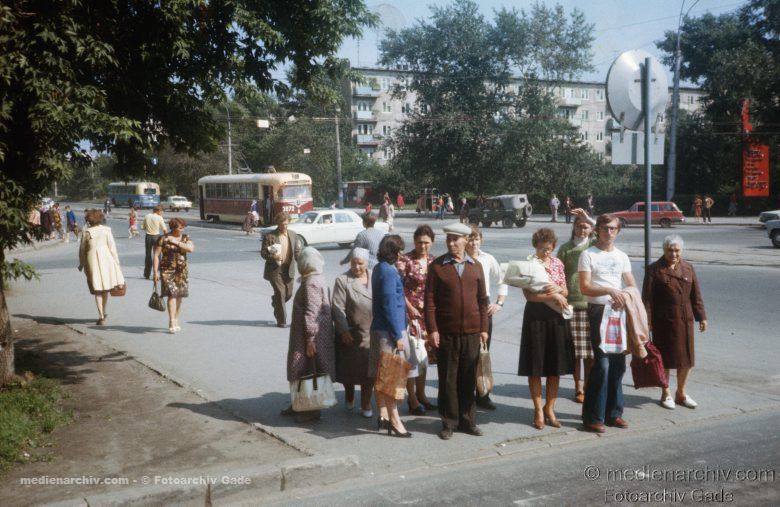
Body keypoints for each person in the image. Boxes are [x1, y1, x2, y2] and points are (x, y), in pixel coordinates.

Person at [425, 222, 488, 440]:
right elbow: (429, 302)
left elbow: (483, 300)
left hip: (472, 332)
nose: (451, 243)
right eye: (448, 239)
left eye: (455, 239)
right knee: (448, 379)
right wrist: (432, 329)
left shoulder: (476, 266)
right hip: (447, 333)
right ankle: (449, 422)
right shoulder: (437, 266)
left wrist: (484, 329)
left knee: (468, 378)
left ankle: (468, 421)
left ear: (466, 240)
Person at [578, 214, 637, 433]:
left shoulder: (622, 256)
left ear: (618, 231)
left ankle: (614, 413)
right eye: (604, 228)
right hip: (598, 312)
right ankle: (593, 417)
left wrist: (625, 296)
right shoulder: (588, 255)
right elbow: (585, 287)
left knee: (618, 365)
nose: (608, 232)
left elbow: (631, 284)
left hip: (618, 312)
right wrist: (609, 290)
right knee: (602, 365)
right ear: (597, 231)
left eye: (612, 228)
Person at [642, 235, 707, 410]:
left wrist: (701, 317)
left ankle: (681, 393)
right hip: (664, 322)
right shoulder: (654, 270)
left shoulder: (688, 268)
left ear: (681, 251)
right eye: (670, 250)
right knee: (665, 359)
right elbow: (647, 300)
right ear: (664, 250)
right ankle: (666, 393)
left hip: (685, 320)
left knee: (687, 359)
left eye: (677, 250)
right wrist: (647, 323)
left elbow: (696, 295)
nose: (673, 254)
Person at [518, 228, 573, 429]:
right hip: (535, 317)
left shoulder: (558, 263)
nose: (545, 252)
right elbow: (529, 296)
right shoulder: (529, 265)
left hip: (556, 316)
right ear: (535, 246)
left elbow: (566, 291)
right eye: (541, 248)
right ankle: (538, 410)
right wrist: (553, 295)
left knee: (555, 365)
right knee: (535, 364)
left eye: (549, 249)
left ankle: (550, 407)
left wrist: (559, 290)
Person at [369, 235, 418, 437]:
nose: (401, 254)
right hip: (389, 332)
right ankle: (395, 421)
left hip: (380, 329)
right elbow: (390, 305)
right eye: (399, 250)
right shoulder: (389, 272)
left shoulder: (379, 268)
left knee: (382, 376)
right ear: (393, 252)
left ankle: (383, 415)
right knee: (392, 378)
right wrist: (398, 335)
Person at [282, 247, 336, 423]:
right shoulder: (318, 278)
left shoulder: (311, 283)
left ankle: (310, 409)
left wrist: (310, 339)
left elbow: (312, 312)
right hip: (313, 333)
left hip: (308, 336)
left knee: (304, 369)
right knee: (307, 369)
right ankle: (299, 403)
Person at [465, 225, 507, 410]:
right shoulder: (461, 259)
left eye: (476, 239)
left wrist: (499, 303)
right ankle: (466, 396)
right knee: (467, 352)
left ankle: (482, 394)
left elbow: (503, 279)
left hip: (484, 307)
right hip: (466, 307)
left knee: (483, 351)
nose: (474, 243)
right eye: (470, 239)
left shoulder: (487, 258)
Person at [396, 225, 437, 415]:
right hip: (411, 315)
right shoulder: (405, 261)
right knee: (412, 357)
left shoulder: (434, 261)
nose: (423, 246)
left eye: (426, 242)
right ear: (414, 241)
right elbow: (398, 288)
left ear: (432, 243)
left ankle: (422, 395)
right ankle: (412, 398)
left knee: (424, 356)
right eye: (420, 242)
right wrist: (409, 307)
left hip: (429, 315)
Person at [556, 213, 596, 404]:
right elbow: (558, 275)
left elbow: (607, 231)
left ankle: (589, 385)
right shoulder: (566, 248)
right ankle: (578, 387)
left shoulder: (594, 245)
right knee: (575, 352)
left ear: (591, 229)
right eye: (579, 226)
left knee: (590, 352)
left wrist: (588, 216)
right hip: (572, 304)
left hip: (593, 303)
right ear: (574, 228)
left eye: (586, 226)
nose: (582, 230)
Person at [332, 248, 375, 418]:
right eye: (353, 263)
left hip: (371, 333)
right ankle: (349, 396)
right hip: (351, 334)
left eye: (360, 263)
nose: (356, 267)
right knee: (349, 371)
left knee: (369, 372)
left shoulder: (374, 277)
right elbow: (338, 307)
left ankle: (366, 403)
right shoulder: (343, 280)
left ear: (367, 263)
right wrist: (343, 330)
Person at [78, 209, 124, 325]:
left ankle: (101, 315)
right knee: (105, 287)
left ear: (89, 220)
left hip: (92, 260)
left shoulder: (87, 232)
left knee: (97, 288)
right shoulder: (107, 230)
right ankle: (104, 311)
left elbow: (82, 250)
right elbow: (112, 248)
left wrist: (81, 263)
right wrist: (117, 263)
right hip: (107, 259)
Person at [261, 212, 303, 328]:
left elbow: (297, 253)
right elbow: (263, 253)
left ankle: (276, 302)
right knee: (280, 293)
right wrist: (273, 256)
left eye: (286, 224)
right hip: (275, 270)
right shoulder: (270, 236)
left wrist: (304, 264)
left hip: (289, 269)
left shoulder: (293, 235)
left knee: (288, 294)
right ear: (278, 223)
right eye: (282, 224)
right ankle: (281, 320)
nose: (284, 226)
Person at [153, 218, 194, 333]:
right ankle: (171, 320)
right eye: (180, 228)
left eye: (183, 227)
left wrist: (175, 242)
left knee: (179, 296)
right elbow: (156, 255)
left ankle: (176, 318)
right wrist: (155, 272)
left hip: (182, 271)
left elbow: (190, 249)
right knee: (172, 295)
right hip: (167, 270)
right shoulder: (163, 239)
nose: (182, 229)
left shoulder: (186, 238)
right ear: (173, 228)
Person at [142, 205, 167, 279]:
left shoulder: (147, 216)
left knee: (148, 255)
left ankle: (147, 273)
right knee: (157, 255)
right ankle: (157, 273)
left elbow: (143, 227)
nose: (162, 213)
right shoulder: (159, 217)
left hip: (148, 237)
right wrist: (167, 237)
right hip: (156, 237)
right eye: (162, 211)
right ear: (158, 211)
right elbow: (164, 229)